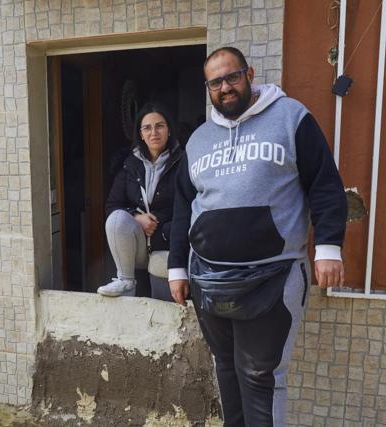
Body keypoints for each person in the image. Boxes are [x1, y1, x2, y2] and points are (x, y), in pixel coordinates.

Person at [168, 47, 347, 426]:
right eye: (215, 82)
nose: (225, 87)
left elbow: (325, 185)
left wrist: (329, 247)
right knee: (227, 371)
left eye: (232, 77)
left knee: (262, 379)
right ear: (208, 88)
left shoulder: (291, 117)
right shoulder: (199, 139)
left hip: (273, 278)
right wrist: (176, 269)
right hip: (208, 281)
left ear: (249, 74)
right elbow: (184, 207)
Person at [97, 103, 184, 299]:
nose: (154, 132)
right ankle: (125, 281)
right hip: (136, 245)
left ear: (169, 130)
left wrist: (160, 230)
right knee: (117, 218)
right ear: (141, 134)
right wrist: (137, 218)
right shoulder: (130, 165)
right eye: (147, 128)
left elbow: (186, 208)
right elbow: (112, 205)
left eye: (160, 126)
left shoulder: (183, 163)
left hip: (165, 242)